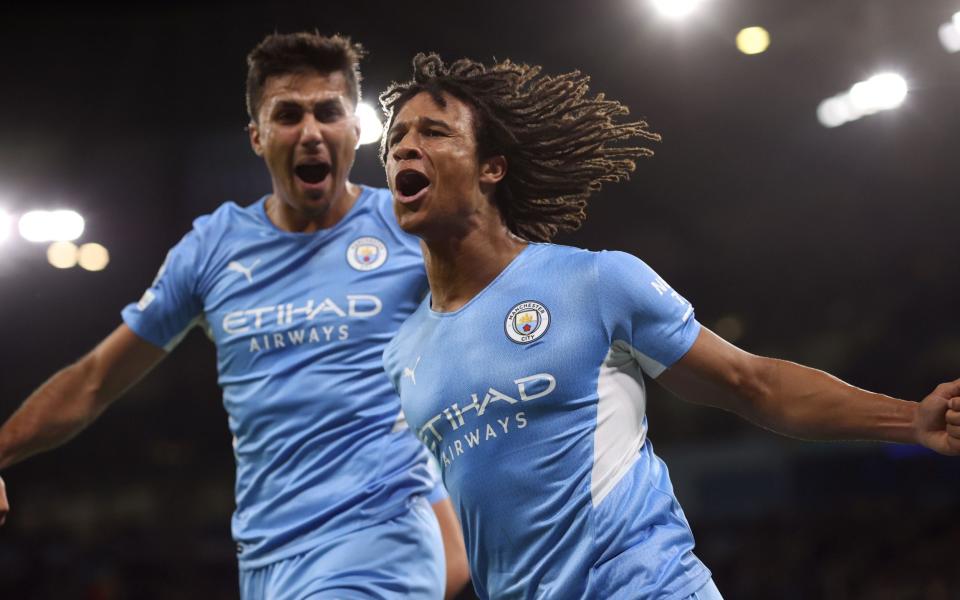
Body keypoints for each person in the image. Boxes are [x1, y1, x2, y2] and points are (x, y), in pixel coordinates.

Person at [377, 53, 960, 599]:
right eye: (396, 137)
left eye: (433, 132)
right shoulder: (402, 354)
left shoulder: (595, 282)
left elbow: (751, 383)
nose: (406, 147)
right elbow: (444, 526)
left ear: (492, 168)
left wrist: (910, 420)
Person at [0, 34, 470, 600]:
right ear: (257, 136)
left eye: (328, 112)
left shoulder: (409, 229)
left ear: (353, 130)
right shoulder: (212, 248)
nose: (312, 132)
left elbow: (508, 310)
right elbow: (94, 381)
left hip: (379, 538)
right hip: (267, 560)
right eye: (289, 115)